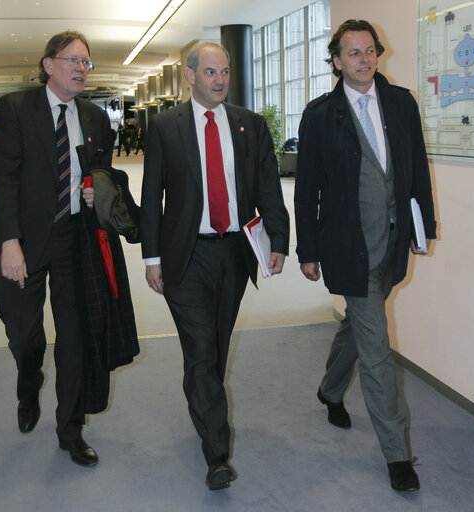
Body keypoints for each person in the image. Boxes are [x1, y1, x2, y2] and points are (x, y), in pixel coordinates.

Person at [294, 19, 437, 492]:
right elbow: (307, 189)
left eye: (370, 50)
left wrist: (423, 227)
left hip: (393, 246)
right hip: (347, 248)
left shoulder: (400, 102)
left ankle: (329, 389)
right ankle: (397, 456)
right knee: (377, 350)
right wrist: (307, 249)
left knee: (358, 322)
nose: (364, 59)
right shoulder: (319, 115)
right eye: (353, 53)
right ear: (336, 61)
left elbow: (416, 171)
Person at [141, 42, 290, 490]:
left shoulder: (250, 125)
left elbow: (268, 186)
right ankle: (217, 454)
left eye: (224, 71)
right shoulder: (166, 127)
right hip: (185, 254)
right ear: (189, 76)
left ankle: (202, 403)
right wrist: (152, 257)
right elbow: (152, 196)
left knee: (215, 349)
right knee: (202, 347)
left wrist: (278, 241)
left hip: (233, 252)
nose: (220, 80)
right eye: (210, 72)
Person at [0, 30, 116, 468]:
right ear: (48, 65)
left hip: (74, 241)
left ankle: (70, 430)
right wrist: (9, 242)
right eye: (73, 60)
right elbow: (1, 179)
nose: (81, 68)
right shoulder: (16, 109)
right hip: (23, 238)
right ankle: (29, 377)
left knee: (75, 339)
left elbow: (104, 176)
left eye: (87, 62)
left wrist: (101, 191)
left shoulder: (96, 118)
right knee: (23, 335)